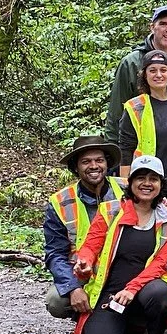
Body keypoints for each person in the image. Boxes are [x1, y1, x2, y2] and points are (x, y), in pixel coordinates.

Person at [70, 155, 167, 334]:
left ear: (161, 184)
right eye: (140, 178)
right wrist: (83, 261)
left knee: (159, 292)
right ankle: (127, 327)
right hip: (112, 293)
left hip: (144, 289)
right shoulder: (110, 211)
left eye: (153, 179)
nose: (146, 183)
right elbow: (91, 244)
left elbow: (160, 262)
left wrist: (132, 289)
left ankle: (153, 333)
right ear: (129, 182)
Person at [118, 49, 167, 238]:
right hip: (151, 186)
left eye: (163, 69)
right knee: (153, 239)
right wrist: (126, 188)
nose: (158, 75)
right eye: (152, 70)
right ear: (144, 75)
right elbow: (126, 149)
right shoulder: (135, 106)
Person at [44, 136, 125, 319]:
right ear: (76, 167)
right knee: (56, 301)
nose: (94, 166)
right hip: (84, 273)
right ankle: (84, 316)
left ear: (107, 163)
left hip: (127, 267)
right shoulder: (60, 202)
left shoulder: (128, 188)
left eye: (99, 160)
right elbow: (55, 253)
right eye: (86, 162)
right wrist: (72, 288)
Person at [106, 5, 167, 139]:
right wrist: (115, 155)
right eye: (163, 24)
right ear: (152, 27)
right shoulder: (132, 63)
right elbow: (116, 114)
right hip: (142, 146)